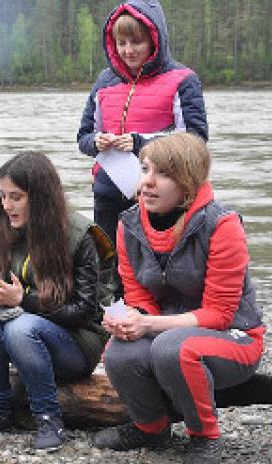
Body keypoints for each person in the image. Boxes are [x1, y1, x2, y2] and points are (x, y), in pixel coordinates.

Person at [94, 133, 265, 464]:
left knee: (173, 348)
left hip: (235, 336)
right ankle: (151, 427)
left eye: (163, 174)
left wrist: (149, 324)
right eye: (145, 169)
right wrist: (130, 319)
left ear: (187, 183)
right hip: (169, 330)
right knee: (120, 351)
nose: (147, 182)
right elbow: (139, 296)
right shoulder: (129, 224)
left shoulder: (222, 224)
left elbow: (220, 313)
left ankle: (204, 435)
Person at [0, 152, 115, 451]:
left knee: (20, 327)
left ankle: (47, 417)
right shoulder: (6, 229)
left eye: (16, 197)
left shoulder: (80, 237)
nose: (6, 205)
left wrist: (22, 301)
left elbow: (84, 311)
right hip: (30, 330)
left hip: (79, 342)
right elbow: (8, 291)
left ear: (40, 197)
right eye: (3, 196)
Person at [77, 0, 208, 296]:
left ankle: (161, 325)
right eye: (121, 42)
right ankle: (111, 325)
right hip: (108, 192)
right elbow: (83, 137)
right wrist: (96, 143)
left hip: (163, 195)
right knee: (110, 268)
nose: (128, 50)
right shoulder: (104, 81)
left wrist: (141, 143)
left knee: (158, 269)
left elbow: (196, 139)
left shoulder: (183, 80)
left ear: (154, 39)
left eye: (136, 41)